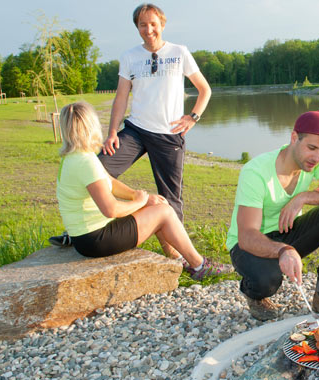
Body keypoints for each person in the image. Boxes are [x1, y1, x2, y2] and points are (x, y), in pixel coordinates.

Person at [52, 3, 212, 271]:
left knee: (171, 198)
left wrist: (192, 118)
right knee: (98, 168)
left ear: (162, 23)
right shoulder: (129, 56)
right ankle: (79, 230)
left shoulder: (179, 53)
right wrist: (113, 131)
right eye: (142, 25)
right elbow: (122, 96)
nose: (148, 30)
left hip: (168, 134)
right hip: (136, 130)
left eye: (152, 23)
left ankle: (176, 258)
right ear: (136, 27)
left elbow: (204, 90)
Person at [56, 101, 231, 280]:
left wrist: (141, 198)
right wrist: (138, 202)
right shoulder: (86, 163)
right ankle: (199, 265)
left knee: (158, 206)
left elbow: (109, 181)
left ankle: (179, 259)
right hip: (96, 240)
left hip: (85, 238)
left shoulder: (74, 158)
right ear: (91, 126)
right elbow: (111, 210)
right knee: (163, 212)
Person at [227, 111, 319, 321]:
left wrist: (303, 197)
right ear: (293, 138)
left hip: (286, 231)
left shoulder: (313, 163)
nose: (317, 157)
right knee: (268, 280)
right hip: (248, 244)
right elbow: (246, 236)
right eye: (312, 148)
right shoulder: (256, 172)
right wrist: (284, 250)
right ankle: (253, 293)